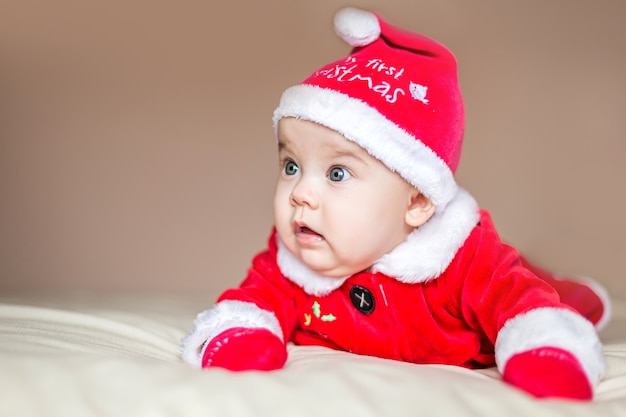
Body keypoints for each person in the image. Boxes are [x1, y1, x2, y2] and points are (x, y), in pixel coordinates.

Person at [181, 7, 609, 401]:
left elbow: (517, 302)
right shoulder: (292, 258)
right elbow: (256, 300)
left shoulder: (463, 258)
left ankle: (580, 291)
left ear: (418, 202)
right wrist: (238, 332)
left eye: (336, 174)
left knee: (547, 289)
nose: (299, 193)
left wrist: (545, 344)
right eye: (291, 165)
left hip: (526, 284)